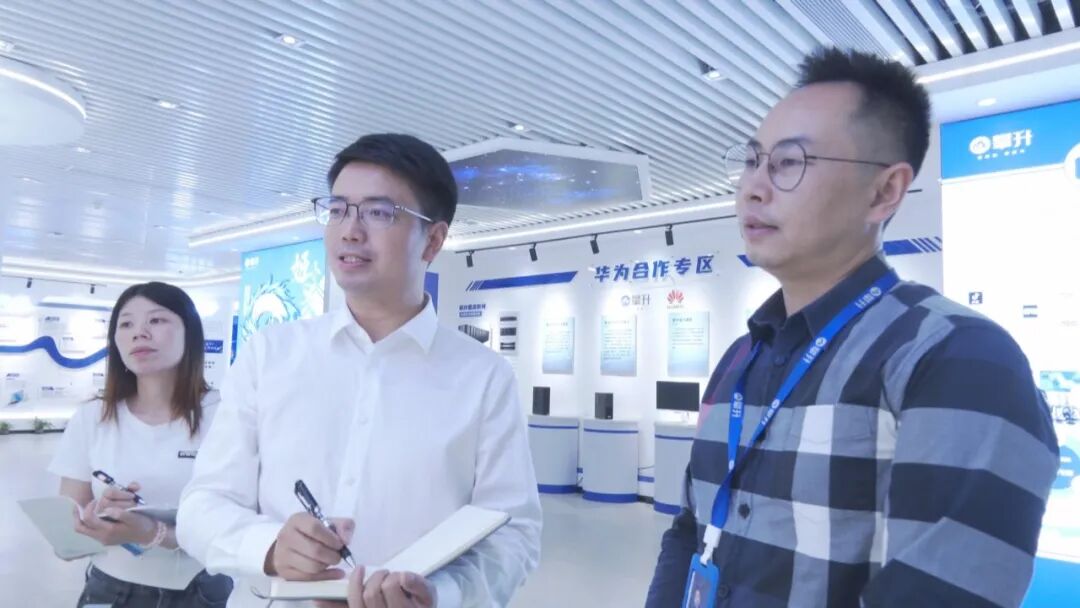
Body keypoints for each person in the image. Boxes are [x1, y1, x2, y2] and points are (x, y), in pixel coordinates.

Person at [646, 47, 1059, 608]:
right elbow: (690, 532)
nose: (752, 187)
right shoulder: (742, 357)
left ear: (884, 191)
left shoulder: (958, 360)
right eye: (751, 161)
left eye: (789, 163)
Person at [177, 133, 542, 607]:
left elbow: (513, 534)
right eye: (337, 209)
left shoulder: (484, 378)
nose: (350, 230)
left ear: (433, 240)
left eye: (378, 212)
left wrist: (440, 596)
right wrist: (269, 548)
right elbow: (202, 506)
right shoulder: (270, 354)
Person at [49, 282, 233, 607]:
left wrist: (151, 532)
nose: (139, 333)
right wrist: (98, 517)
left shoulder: (226, 414)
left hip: (202, 591)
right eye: (126, 324)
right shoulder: (93, 416)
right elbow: (67, 541)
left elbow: (240, 529)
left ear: (190, 334)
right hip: (107, 591)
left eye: (156, 320)